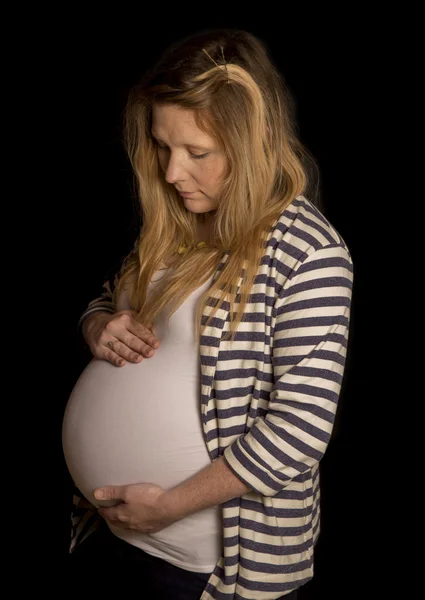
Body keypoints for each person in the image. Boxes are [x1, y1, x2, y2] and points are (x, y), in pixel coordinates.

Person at [62, 28, 353, 600]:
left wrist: (168, 506)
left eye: (197, 153)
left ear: (255, 141)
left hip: (205, 564)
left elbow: (299, 431)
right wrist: (99, 325)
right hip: (112, 533)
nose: (172, 173)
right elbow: (104, 299)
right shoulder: (174, 224)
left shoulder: (308, 253)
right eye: (163, 146)